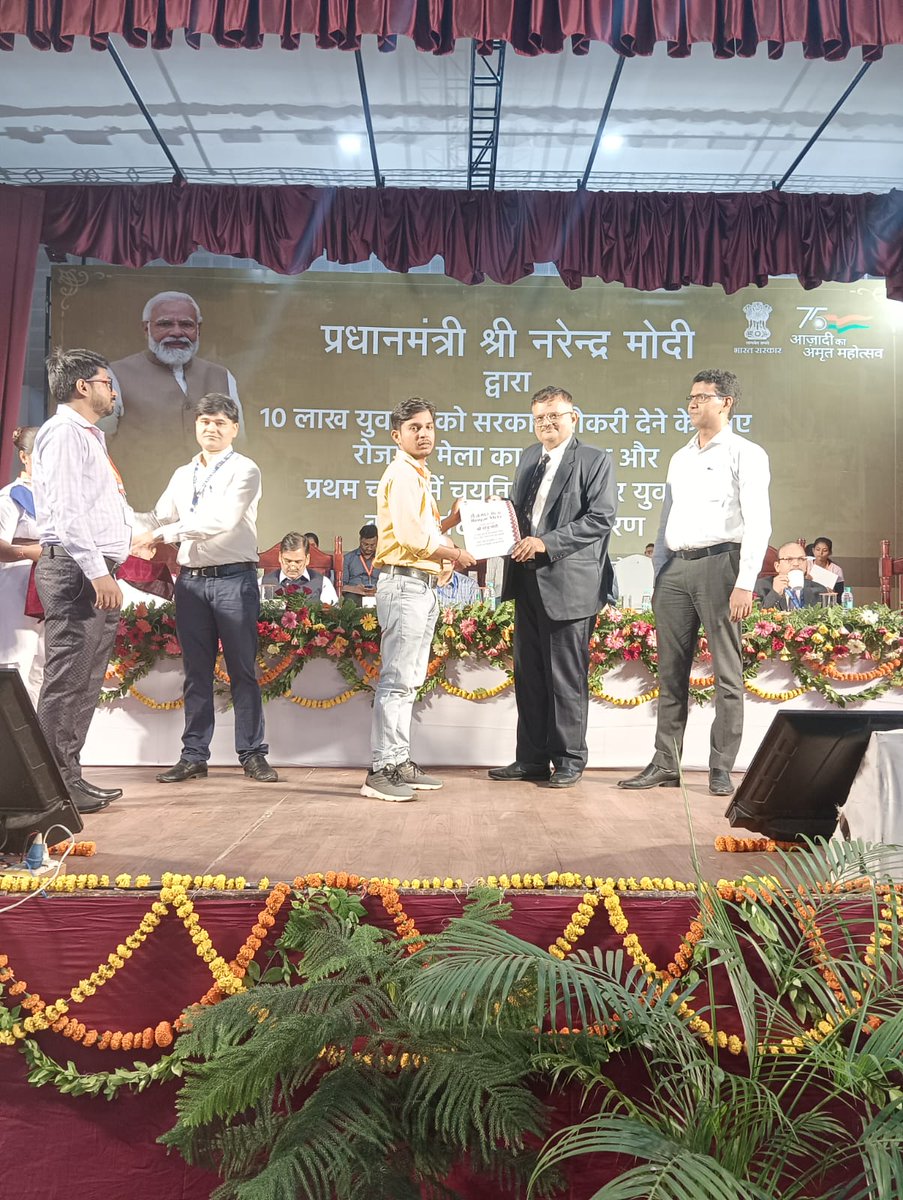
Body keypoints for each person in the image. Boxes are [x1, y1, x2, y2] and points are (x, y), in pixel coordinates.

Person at [619, 369, 770, 798]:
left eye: (702, 397)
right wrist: (660, 572)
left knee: (727, 673)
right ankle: (666, 762)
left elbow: (759, 522)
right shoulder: (679, 456)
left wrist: (745, 582)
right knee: (671, 672)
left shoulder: (747, 453)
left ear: (726, 402)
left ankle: (720, 766)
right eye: (690, 397)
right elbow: (667, 517)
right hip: (676, 571)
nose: (692, 404)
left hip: (721, 565)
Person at [132, 394, 277, 785]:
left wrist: (161, 533)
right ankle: (194, 754)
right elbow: (158, 515)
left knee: (242, 670)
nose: (210, 428)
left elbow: (221, 520)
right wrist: (122, 518)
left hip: (234, 580)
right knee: (196, 673)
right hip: (192, 583)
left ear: (233, 429)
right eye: (204, 422)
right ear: (196, 426)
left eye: (219, 422)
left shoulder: (246, 470)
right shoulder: (182, 474)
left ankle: (252, 753)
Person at [488, 385, 617, 789]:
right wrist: (497, 514)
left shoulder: (595, 460)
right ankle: (530, 759)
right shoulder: (529, 457)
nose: (547, 423)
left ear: (573, 417)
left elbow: (600, 518)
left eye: (555, 416)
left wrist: (547, 543)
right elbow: (521, 512)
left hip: (569, 584)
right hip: (526, 581)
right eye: (540, 417)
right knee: (529, 676)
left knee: (565, 677)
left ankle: (569, 760)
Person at [31, 350, 136, 814]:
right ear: (82, 387)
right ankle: (49, 788)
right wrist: (97, 572)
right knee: (66, 680)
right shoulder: (62, 434)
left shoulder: (87, 436)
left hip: (91, 568)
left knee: (86, 681)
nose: (112, 391)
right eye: (106, 382)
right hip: (76, 570)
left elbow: (98, 505)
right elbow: (68, 512)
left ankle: (69, 777)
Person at [361, 397, 475, 803]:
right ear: (397, 435)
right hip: (404, 585)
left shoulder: (419, 474)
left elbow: (422, 531)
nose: (424, 433)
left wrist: (451, 524)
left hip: (420, 586)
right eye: (414, 428)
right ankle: (380, 769)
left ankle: (398, 759)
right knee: (396, 681)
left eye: (428, 426)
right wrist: (458, 555)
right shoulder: (403, 474)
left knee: (408, 681)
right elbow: (413, 540)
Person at [105, 291, 245, 507]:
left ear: (198, 330)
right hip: (139, 509)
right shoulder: (115, 375)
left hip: (210, 513)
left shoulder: (221, 376)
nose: (177, 332)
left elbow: (239, 443)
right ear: (146, 328)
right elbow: (100, 446)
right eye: (165, 324)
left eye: (186, 325)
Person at [0, 427, 44, 704]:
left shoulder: (57, 498)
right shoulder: (11, 496)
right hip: (16, 584)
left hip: (49, 586)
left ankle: (34, 744)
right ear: (24, 457)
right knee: (15, 660)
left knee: (42, 667)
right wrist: (31, 552)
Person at [261, 531, 338, 603]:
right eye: (288, 561)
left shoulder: (323, 583)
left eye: (298, 562)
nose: (293, 567)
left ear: (307, 559)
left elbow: (333, 615)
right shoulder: (261, 582)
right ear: (280, 557)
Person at [756, 543, 824, 610]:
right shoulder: (760, 587)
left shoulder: (820, 591)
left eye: (801, 559)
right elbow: (756, 618)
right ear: (777, 566)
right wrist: (775, 593)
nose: (796, 564)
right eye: (789, 559)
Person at [342, 523, 381, 605]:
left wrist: (377, 589)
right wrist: (355, 589)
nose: (369, 548)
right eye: (366, 544)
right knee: (350, 601)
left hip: (377, 594)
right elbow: (341, 586)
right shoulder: (348, 558)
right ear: (360, 540)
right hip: (355, 594)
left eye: (373, 545)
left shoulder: (382, 559)